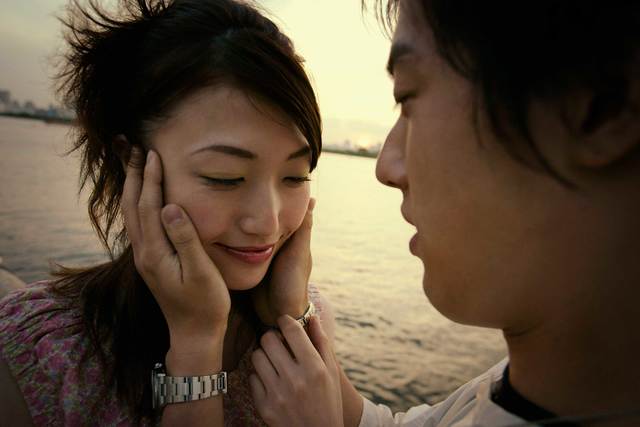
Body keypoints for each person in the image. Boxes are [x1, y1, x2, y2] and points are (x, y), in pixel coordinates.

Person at [248, 1, 640, 426]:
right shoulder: (520, 387)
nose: (386, 167)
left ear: (599, 107)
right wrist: (294, 312)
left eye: (407, 98)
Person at [0, 0, 336, 426]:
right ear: (131, 162)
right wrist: (197, 342)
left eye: (295, 176)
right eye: (225, 177)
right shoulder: (39, 355)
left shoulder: (307, 316)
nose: (267, 223)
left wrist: (293, 320)